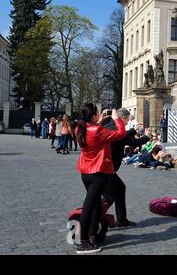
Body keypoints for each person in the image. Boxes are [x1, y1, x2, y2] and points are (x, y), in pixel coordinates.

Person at [74, 104, 126, 254]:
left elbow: (93, 131)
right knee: (89, 208)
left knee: (96, 205)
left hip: (85, 172)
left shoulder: (80, 128)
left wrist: (100, 120)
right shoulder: (97, 130)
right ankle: (82, 243)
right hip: (97, 172)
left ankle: (92, 236)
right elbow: (120, 134)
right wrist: (117, 119)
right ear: (94, 116)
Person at [101, 108, 152, 228]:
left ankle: (121, 219)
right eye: (128, 120)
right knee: (109, 196)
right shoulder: (118, 129)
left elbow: (123, 136)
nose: (128, 122)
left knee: (120, 188)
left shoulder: (109, 125)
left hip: (105, 165)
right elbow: (131, 142)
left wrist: (134, 130)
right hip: (108, 167)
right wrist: (146, 137)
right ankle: (94, 216)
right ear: (123, 118)